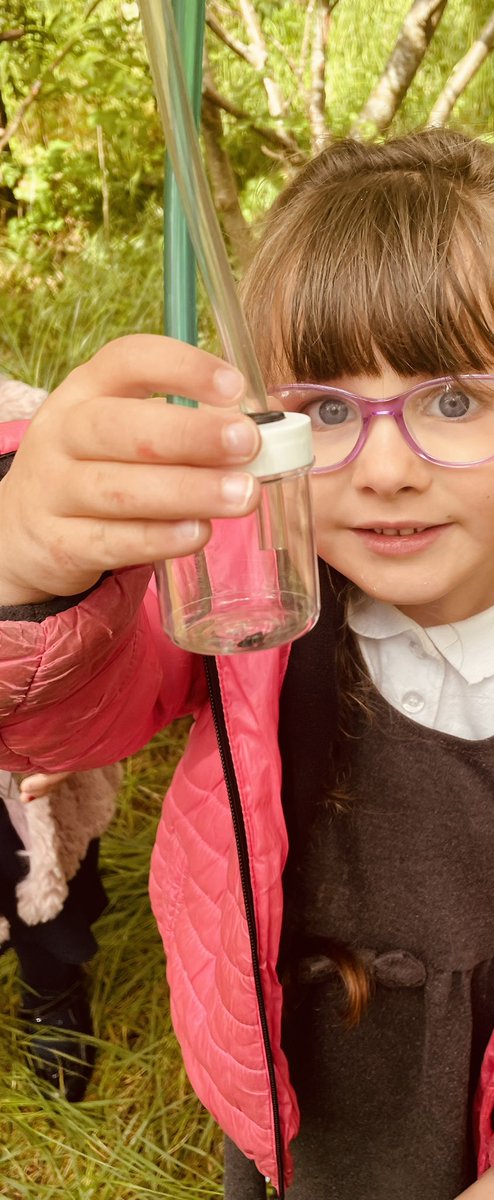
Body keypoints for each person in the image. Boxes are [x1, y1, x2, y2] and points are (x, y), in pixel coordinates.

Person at [0, 131, 494, 1200]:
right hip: (287, 1120)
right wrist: (30, 572)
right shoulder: (245, 590)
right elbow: (63, 720)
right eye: (327, 411)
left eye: (454, 401)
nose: (385, 470)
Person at [0, 377, 121, 1102]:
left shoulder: (29, 437)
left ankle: (51, 991)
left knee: (39, 888)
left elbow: (102, 608)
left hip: (26, 769)